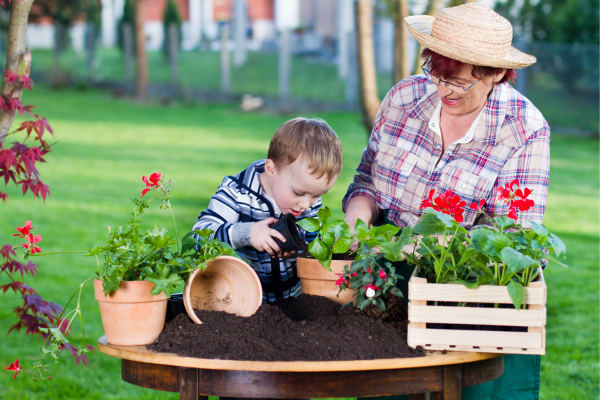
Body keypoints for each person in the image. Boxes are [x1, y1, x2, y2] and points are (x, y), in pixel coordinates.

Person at [343, 4, 548, 400]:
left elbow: (515, 238)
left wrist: (421, 246)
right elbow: (367, 177)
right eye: (436, 74)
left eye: (459, 82)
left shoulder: (524, 129)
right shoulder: (404, 98)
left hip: (464, 289)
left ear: (495, 75)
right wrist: (358, 215)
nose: (444, 90)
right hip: (388, 279)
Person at [193, 117, 343, 304]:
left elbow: (312, 247)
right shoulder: (236, 193)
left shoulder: (307, 200)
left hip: (295, 302)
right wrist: (248, 233)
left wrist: (320, 245)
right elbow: (198, 237)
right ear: (271, 169)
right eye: (299, 192)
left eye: (317, 196)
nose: (307, 204)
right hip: (242, 307)